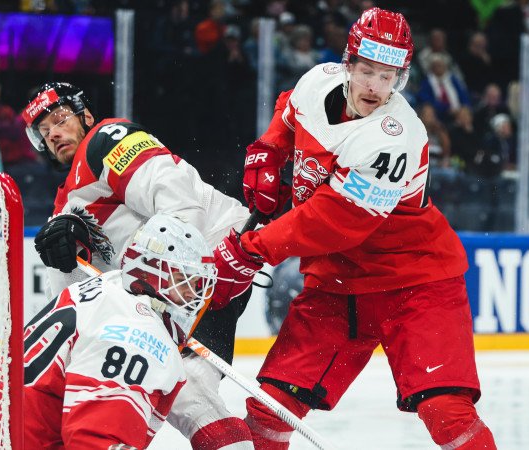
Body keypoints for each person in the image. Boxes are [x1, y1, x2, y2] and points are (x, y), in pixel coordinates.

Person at [211, 7, 497, 449]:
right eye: (367, 71)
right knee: (271, 407)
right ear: (348, 63)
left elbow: (334, 220)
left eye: (388, 76)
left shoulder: (396, 137)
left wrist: (252, 248)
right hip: (338, 283)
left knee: (447, 413)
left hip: (416, 283)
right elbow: (290, 111)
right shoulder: (317, 80)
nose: (375, 87)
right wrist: (269, 150)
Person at [21, 82, 254, 449]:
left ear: (85, 115)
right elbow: (77, 301)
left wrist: (171, 279)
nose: (53, 133)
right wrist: (65, 256)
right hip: (166, 294)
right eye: (44, 130)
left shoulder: (106, 139)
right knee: (187, 392)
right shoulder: (65, 205)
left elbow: (181, 204)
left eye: (60, 118)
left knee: (189, 388)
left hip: (211, 263)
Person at [23, 214, 216, 449]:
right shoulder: (137, 332)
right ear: (149, 271)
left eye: (196, 284)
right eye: (182, 280)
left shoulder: (109, 287)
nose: (191, 295)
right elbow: (93, 440)